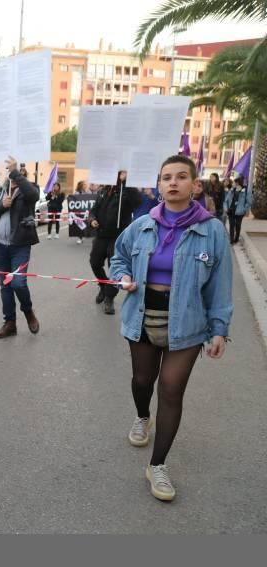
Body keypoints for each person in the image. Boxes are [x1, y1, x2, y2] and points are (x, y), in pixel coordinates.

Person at [110, 154, 232, 502]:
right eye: (166, 177)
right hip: (143, 316)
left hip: (189, 324)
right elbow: (119, 256)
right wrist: (123, 276)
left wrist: (219, 328)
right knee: (142, 381)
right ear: (159, 184)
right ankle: (141, 415)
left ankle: (158, 465)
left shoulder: (212, 231)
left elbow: (220, 285)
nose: (173, 183)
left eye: (181, 177)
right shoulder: (142, 225)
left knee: (171, 390)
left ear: (195, 185)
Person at [0, 157, 41, 339]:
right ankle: (10, 323)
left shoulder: (29, 190)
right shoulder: (1, 191)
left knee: (17, 282)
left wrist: (16, 172)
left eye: (18, 173)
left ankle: (28, 311)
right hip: (0, 245)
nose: (15, 176)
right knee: (5, 286)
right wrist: (2, 205)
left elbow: (34, 196)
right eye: (13, 173)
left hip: (20, 245)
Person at [88, 171, 142, 315]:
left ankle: (109, 297)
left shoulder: (126, 192)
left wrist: (126, 181)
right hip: (101, 235)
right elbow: (93, 210)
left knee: (114, 268)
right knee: (94, 263)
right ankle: (103, 285)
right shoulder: (103, 191)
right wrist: (92, 219)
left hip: (118, 237)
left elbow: (137, 201)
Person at [224, 176, 251, 244]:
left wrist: (244, 209)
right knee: (231, 225)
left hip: (240, 212)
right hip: (231, 210)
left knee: (238, 225)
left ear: (239, 183)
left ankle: (236, 238)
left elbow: (249, 202)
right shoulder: (232, 190)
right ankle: (231, 239)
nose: (234, 184)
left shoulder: (245, 191)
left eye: (235, 182)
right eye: (234, 182)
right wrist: (226, 208)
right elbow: (226, 200)